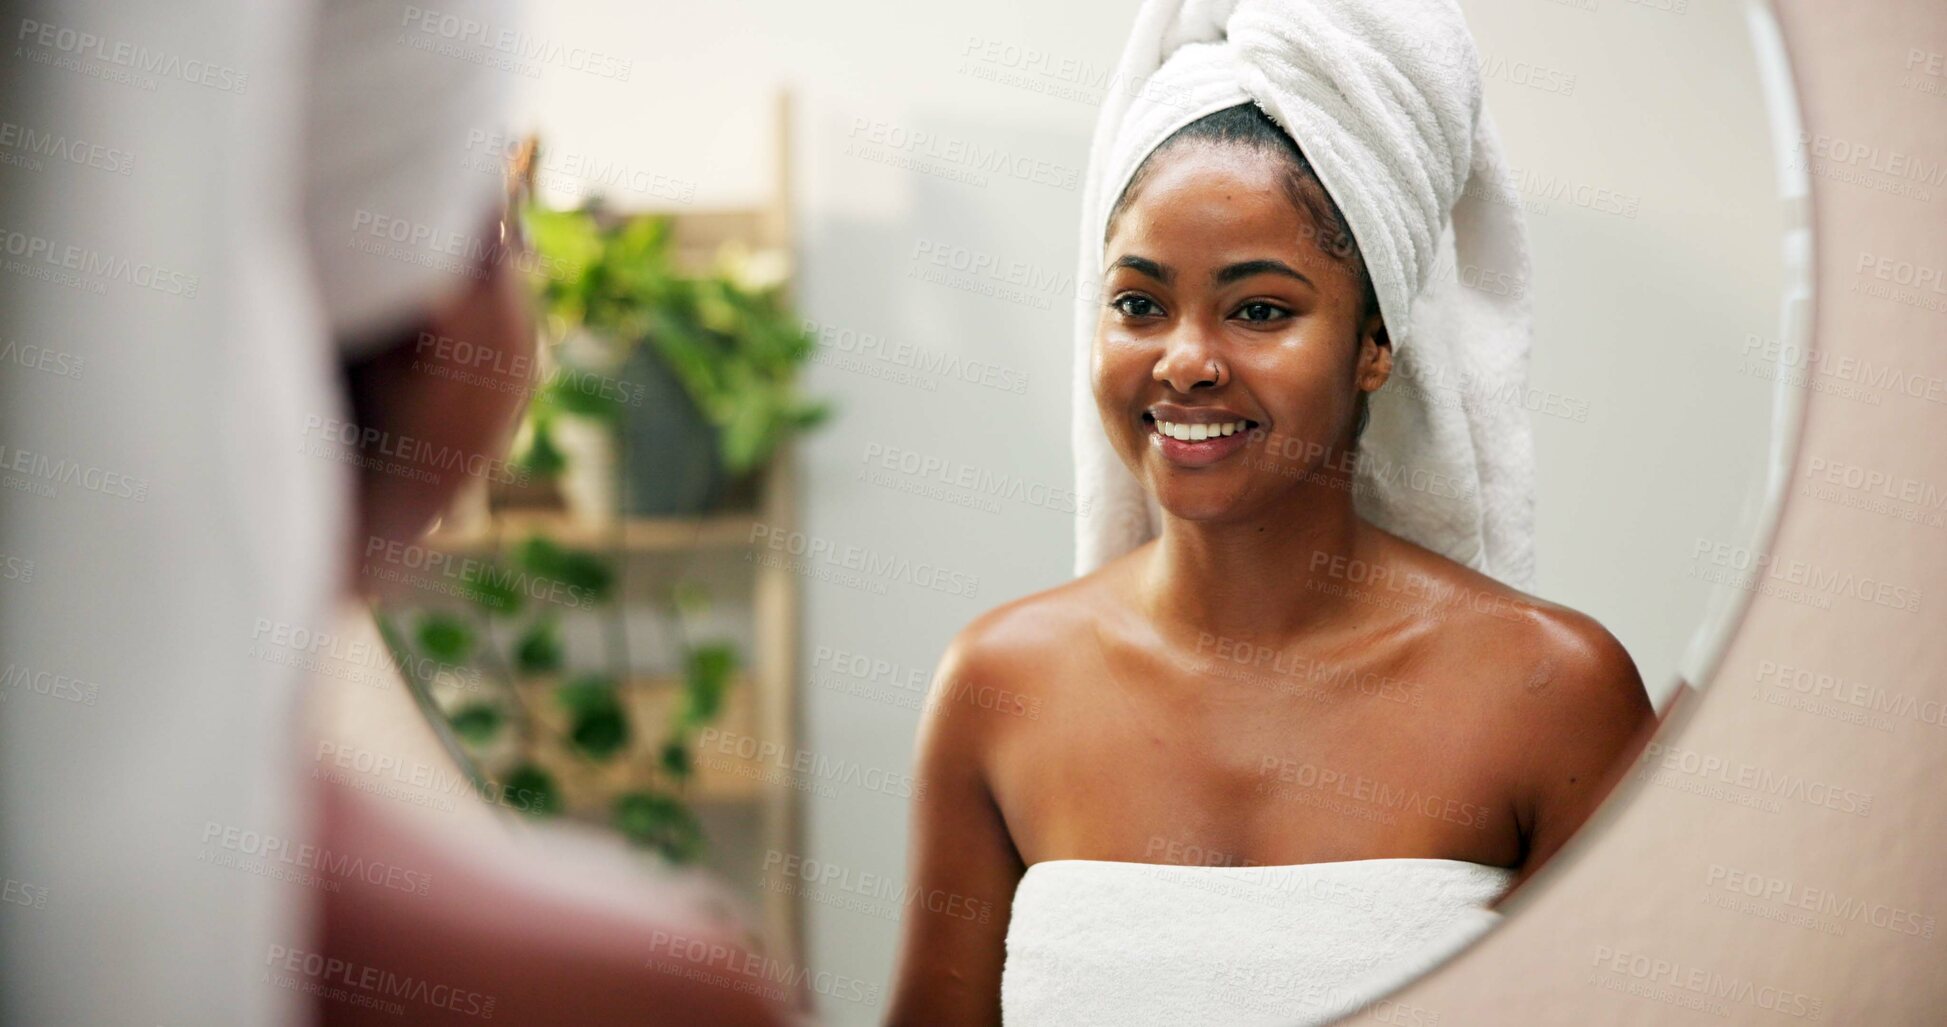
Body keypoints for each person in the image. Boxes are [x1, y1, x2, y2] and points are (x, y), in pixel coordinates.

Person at [886, 4, 1659, 1024]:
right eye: (1138, 303)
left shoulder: (1552, 694)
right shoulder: (1000, 686)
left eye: (1260, 309)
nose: (1186, 360)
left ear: (1375, 344)